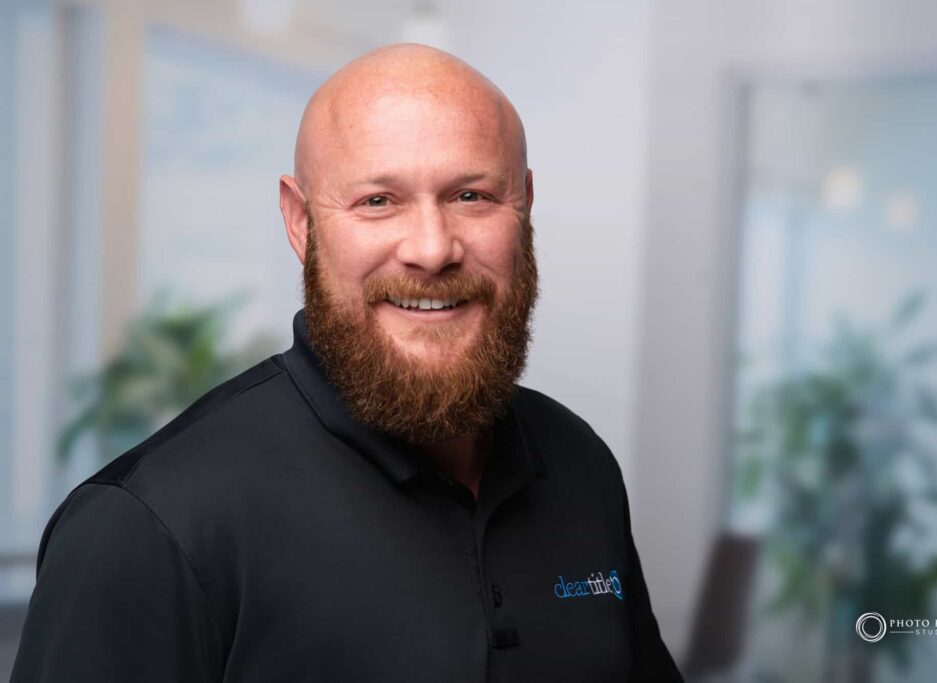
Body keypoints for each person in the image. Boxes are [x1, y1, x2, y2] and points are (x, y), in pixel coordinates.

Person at [12, 44, 684, 682]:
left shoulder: (579, 463)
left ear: (525, 207)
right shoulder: (149, 526)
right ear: (301, 222)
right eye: (377, 201)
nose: (432, 249)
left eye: (471, 195)